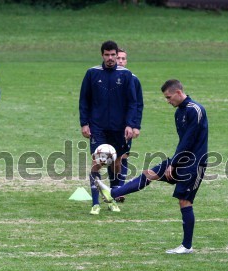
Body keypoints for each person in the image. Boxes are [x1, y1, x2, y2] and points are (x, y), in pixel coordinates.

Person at [97, 79, 208, 254]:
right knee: (149, 174)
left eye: (169, 97)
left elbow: (189, 140)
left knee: (185, 201)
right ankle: (113, 193)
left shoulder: (196, 110)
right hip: (181, 160)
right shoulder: (179, 112)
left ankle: (187, 246)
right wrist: (174, 161)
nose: (168, 101)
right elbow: (183, 142)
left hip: (194, 163)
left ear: (179, 93)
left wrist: (173, 163)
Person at [79, 40, 138, 215]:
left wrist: (130, 124)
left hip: (119, 128)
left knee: (116, 163)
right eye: (107, 55)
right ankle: (95, 203)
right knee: (97, 162)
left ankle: (112, 198)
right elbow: (84, 101)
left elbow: (132, 103)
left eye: (113, 55)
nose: (111, 58)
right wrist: (84, 123)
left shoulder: (126, 75)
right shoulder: (92, 73)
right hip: (97, 127)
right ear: (102, 55)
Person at [111, 48, 144, 201]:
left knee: (123, 156)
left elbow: (138, 104)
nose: (121, 61)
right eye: (118, 58)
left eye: (124, 59)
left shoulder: (133, 79)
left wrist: (136, 125)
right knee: (109, 156)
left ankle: (119, 190)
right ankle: (113, 187)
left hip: (127, 126)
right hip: (108, 125)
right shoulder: (105, 77)